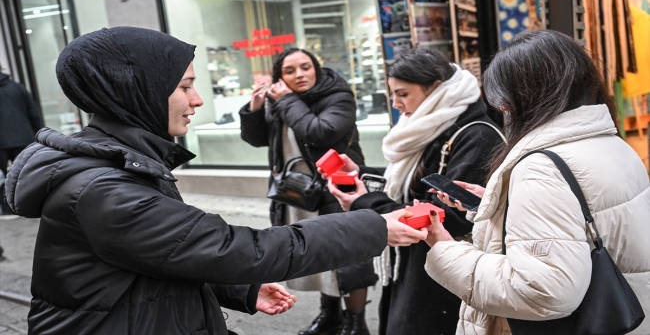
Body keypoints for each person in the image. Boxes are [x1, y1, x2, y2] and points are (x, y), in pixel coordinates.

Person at [3, 27, 429, 335]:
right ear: (139, 94)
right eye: (185, 86)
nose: (197, 99)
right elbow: (235, 248)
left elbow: (161, 259)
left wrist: (239, 290)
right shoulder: (104, 188)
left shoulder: (116, 165)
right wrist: (372, 226)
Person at [425, 30, 650, 334]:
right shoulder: (612, 143)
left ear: (523, 98)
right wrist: (499, 207)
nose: (502, 110)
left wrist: (444, 251)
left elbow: (542, 291)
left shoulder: (540, 169)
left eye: (503, 101)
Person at [327, 49, 504, 335]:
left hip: (445, 273)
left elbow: (447, 215)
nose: (396, 104)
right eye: (393, 94)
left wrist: (365, 201)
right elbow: (413, 184)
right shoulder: (429, 126)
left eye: (403, 94)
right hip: (417, 266)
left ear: (435, 88)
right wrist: (359, 175)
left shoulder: (476, 135)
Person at [239, 48, 375, 335]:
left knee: (348, 256)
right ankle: (330, 316)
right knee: (320, 254)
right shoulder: (281, 102)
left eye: (305, 67)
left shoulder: (337, 96)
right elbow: (258, 138)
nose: (299, 75)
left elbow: (320, 131)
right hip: (298, 191)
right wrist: (254, 108)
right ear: (280, 77)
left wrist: (286, 99)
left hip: (338, 189)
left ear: (316, 68)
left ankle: (356, 322)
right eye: (290, 71)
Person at [0, 70, 43, 216]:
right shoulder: (17, 87)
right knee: (25, 174)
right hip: (23, 137)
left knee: (2, 176)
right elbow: (33, 112)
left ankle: (7, 209)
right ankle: (30, 204)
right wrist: (39, 133)